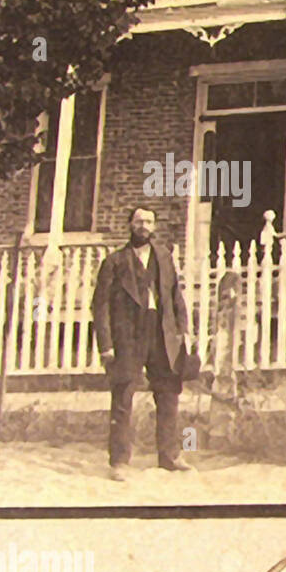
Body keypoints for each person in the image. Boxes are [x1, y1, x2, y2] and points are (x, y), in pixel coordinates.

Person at [92, 206, 193, 481]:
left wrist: (183, 330)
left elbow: (175, 297)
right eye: (138, 221)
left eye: (148, 221)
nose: (143, 226)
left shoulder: (164, 258)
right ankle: (120, 462)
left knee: (169, 394)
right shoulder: (114, 262)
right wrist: (106, 344)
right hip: (128, 336)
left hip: (161, 333)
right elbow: (99, 306)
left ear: (154, 226)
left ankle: (170, 456)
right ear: (130, 225)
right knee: (123, 395)